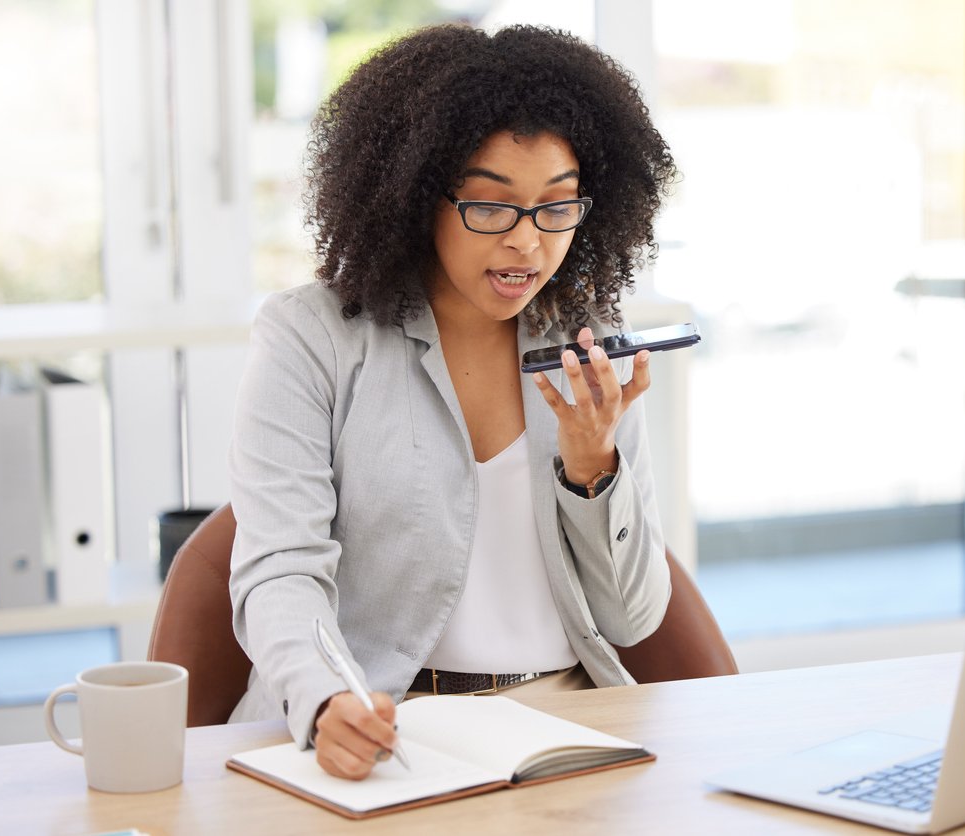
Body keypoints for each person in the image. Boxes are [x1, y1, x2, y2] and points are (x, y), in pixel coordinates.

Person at [226, 23, 678, 781]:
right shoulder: (310, 338)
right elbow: (280, 568)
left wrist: (593, 467)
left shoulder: (590, 343)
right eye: (490, 207)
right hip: (381, 725)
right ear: (411, 193)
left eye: (556, 207)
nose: (527, 245)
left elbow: (632, 620)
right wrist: (324, 699)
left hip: (562, 729)